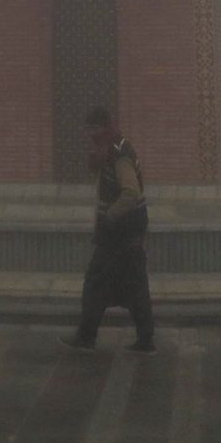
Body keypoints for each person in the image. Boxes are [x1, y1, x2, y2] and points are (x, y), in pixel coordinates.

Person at [64, 106, 154, 353]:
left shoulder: (119, 153)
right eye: (88, 130)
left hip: (122, 231)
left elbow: (131, 193)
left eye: (93, 129)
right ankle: (145, 340)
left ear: (104, 128)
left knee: (95, 281)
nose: (90, 134)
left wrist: (110, 217)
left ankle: (86, 337)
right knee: (134, 284)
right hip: (123, 231)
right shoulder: (110, 150)